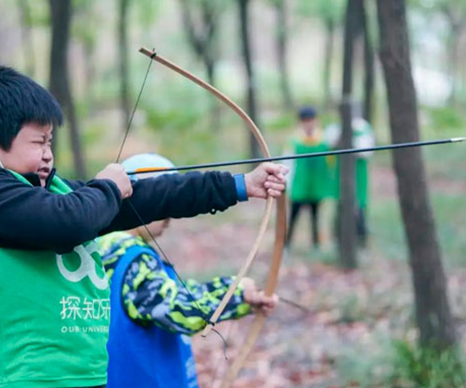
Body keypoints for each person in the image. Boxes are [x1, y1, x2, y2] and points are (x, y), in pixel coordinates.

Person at [0, 63, 288, 388]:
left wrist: (241, 185)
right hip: (13, 379)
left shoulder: (60, 195)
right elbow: (69, 221)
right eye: (38, 142)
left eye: (50, 142)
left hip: (82, 376)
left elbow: (151, 197)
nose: (48, 154)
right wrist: (108, 186)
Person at [99, 153, 278, 388]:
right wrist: (235, 293)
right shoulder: (133, 258)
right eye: (164, 201)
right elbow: (176, 307)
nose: (170, 213)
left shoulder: (101, 247)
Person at [286, 106, 334, 249]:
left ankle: (315, 244)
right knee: (293, 216)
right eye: (305, 121)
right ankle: (286, 244)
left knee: (315, 216)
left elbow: (330, 163)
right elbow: (287, 163)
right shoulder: (295, 141)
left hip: (316, 186)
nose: (309, 123)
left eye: (311, 120)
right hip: (299, 186)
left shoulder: (325, 140)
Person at [325, 116, 375, 245]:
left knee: (359, 208)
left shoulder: (363, 128)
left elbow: (365, 151)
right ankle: (338, 237)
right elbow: (330, 143)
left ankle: (360, 239)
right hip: (340, 174)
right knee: (340, 206)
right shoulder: (336, 127)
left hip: (358, 175)